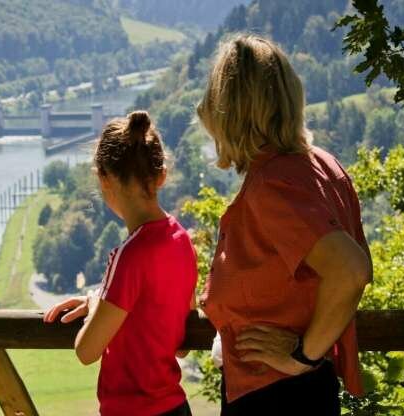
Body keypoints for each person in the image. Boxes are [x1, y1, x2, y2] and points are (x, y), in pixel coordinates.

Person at [196, 34, 371, 415]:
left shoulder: (273, 186)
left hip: (275, 395)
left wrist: (301, 356)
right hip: (299, 390)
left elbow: (351, 270)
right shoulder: (319, 165)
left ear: (231, 112)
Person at [44, 111, 198, 416]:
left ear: (104, 178)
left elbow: (86, 351)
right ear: (162, 175)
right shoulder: (182, 241)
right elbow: (181, 344)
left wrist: (96, 303)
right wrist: (105, 303)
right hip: (176, 409)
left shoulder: (129, 254)